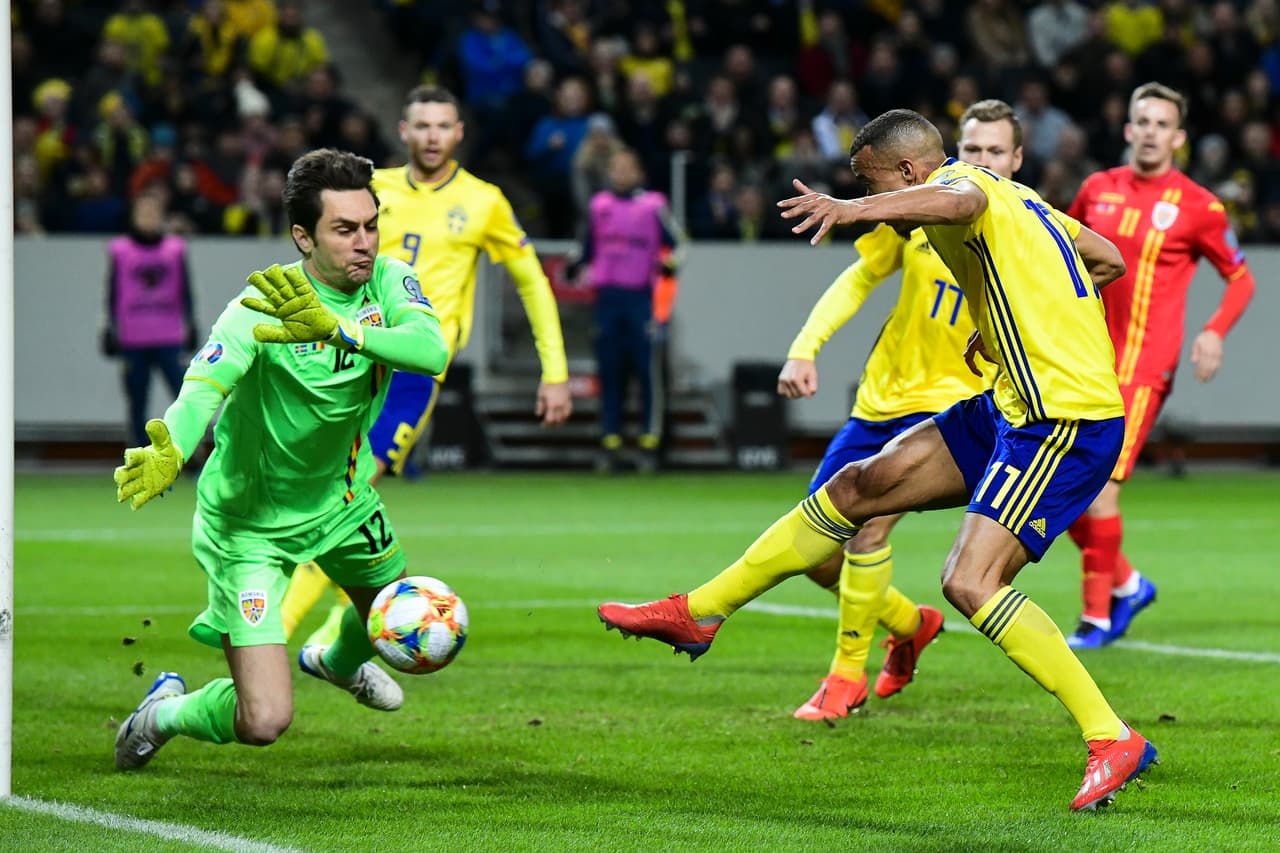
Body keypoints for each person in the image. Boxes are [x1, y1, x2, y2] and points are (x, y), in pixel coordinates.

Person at [599, 108, 1159, 812]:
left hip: (1061, 421)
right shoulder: (1025, 201)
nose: (874, 202)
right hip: (1008, 404)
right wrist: (1009, 325)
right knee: (860, 485)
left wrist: (850, 208)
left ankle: (1111, 737)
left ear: (907, 173)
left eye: (871, 183)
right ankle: (699, 612)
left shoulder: (961, 187)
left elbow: (960, 200)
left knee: (969, 581)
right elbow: (1106, 259)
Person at [113, 149, 449, 770]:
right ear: (303, 237)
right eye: (344, 230)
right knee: (264, 720)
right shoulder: (262, 306)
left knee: (395, 610)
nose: (364, 243)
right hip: (251, 525)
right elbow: (201, 391)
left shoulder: (388, 280)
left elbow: (431, 351)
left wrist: (340, 330)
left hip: (343, 502)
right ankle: (164, 711)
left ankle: (336, 662)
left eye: (370, 225)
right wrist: (173, 447)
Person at [279, 86, 572, 645]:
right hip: (348, 360)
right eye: (422, 126)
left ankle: (294, 631)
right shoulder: (374, 193)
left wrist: (554, 371)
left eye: (442, 126)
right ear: (403, 132)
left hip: (413, 372)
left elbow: (532, 281)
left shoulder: (484, 201)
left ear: (459, 133)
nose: (432, 136)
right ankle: (332, 633)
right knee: (334, 496)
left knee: (347, 491)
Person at [779, 100, 1023, 721]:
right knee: (817, 553)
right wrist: (805, 348)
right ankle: (911, 625)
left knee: (868, 527)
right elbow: (861, 276)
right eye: (973, 148)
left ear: (1017, 159)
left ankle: (844, 679)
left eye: (996, 151)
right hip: (878, 401)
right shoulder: (914, 213)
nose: (983, 159)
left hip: (950, 409)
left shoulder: (1026, 226)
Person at [1062, 82, 1255, 649]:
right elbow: (1062, 251)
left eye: (1162, 124)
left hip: (1143, 367)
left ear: (1178, 137)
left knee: (1099, 490)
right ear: (1128, 129)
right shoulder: (1096, 189)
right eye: (1142, 121)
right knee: (1057, 487)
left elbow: (1241, 279)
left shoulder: (1199, 206)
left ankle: (1096, 618)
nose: (1150, 132)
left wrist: (1214, 331)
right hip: (1084, 357)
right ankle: (1127, 584)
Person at [570, 148, 687, 471]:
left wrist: (670, 265)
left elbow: (679, 243)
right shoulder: (599, 206)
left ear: (638, 172)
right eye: (616, 168)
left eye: (627, 167)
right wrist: (574, 264)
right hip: (606, 300)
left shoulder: (653, 205)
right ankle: (610, 442)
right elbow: (585, 247)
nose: (621, 173)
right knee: (609, 372)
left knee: (647, 374)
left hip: (640, 300)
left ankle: (650, 444)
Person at [102, 193, 197, 448]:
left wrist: (191, 323)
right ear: (133, 217)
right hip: (133, 337)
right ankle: (140, 453)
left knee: (184, 396)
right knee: (137, 400)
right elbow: (111, 291)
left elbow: (186, 289)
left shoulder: (175, 249)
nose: (148, 219)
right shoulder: (120, 250)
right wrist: (108, 327)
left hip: (169, 335)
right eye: (143, 214)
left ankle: (188, 450)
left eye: (153, 213)